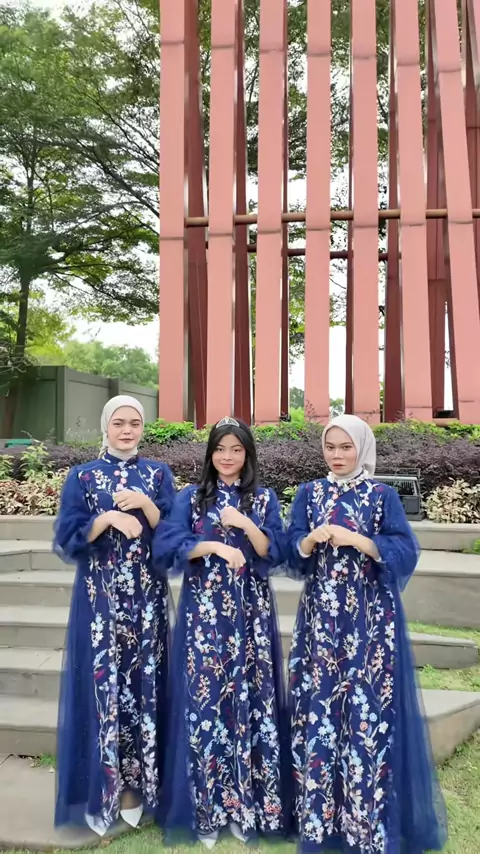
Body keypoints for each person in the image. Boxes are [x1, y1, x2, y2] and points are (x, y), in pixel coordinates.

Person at [286, 414, 447, 854]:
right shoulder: (309, 493)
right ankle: (321, 818)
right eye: (330, 447)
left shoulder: (381, 496)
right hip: (320, 620)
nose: (337, 456)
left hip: (370, 621)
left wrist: (359, 540)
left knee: (367, 713)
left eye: (346, 447)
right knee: (321, 709)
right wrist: (308, 541)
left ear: (362, 448)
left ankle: (366, 819)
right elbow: (291, 552)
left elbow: (405, 550)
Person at [153, 416, 289, 849]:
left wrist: (245, 524)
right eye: (220, 449)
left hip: (251, 614)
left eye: (236, 449)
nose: (227, 457)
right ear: (210, 453)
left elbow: (275, 551)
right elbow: (168, 546)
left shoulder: (263, 498)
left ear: (247, 454)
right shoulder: (191, 498)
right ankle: (207, 808)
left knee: (251, 700)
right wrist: (214, 545)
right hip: (205, 616)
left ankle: (247, 806)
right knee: (206, 702)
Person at [53, 395, 176, 837]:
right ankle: (105, 788)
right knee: (104, 686)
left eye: (135, 423)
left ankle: (141, 789)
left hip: (147, 602)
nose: (127, 431)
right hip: (100, 601)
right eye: (119, 423)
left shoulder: (157, 474)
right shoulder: (83, 476)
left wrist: (147, 506)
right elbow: (67, 538)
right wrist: (105, 518)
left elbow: (175, 536)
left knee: (145, 684)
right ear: (106, 426)